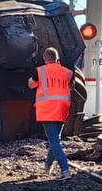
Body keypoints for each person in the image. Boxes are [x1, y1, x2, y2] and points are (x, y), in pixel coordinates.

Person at [29, 46, 72, 180]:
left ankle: (65, 170)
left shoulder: (40, 71)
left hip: (48, 110)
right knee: (55, 139)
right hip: (62, 109)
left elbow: (31, 85)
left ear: (44, 59)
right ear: (57, 58)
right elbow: (71, 86)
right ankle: (47, 167)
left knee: (54, 141)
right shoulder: (68, 72)